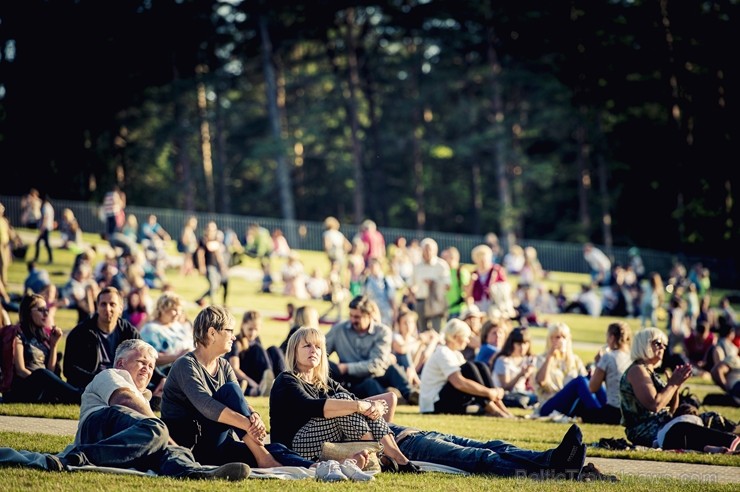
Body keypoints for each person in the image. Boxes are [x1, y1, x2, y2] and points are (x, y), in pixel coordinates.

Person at [68, 338, 250, 480]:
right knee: (158, 430)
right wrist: (165, 435)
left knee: (162, 446)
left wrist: (174, 449)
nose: (147, 369)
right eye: (141, 362)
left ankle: (193, 472)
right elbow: (124, 400)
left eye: (151, 366)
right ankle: (80, 455)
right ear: (121, 363)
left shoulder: (144, 396)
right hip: (96, 428)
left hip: (123, 438)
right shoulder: (110, 375)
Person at [161, 305, 315, 469]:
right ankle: (262, 456)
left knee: (276, 449)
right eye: (230, 331)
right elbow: (207, 406)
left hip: (219, 443)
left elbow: (238, 400)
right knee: (229, 390)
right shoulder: (185, 365)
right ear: (212, 333)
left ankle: (315, 467)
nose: (234, 337)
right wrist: (248, 424)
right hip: (192, 449)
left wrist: (253, 415)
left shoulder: (224, 365)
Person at [270, 326, 421, 473]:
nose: (313, 350)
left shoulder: (324, 382)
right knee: (347, 403)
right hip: (295, 446)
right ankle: (378, 456)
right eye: (307, 346)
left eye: (318, 347)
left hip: (325, 441)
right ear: (294, 351)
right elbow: (309, 406)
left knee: (357, 405)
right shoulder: (286, 379)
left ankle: (399, 457)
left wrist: (372, 406)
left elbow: (353, 399)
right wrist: (359, 405)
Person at [620, 328, 737, 450]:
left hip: (663, 426)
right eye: (658, 343)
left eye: (664, 345)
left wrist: (676, 386)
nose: (663, 348)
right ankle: (730, 442)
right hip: (645, 432)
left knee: (712, 418)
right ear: (644, 344)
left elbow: (672, 409)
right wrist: (672, 384)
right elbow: (654, 405)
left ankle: (733, 436)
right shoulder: (637, 370)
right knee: (681, 429)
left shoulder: (649, 372)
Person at [388, 422, 587, 479]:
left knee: (494, 445)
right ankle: (549, 473)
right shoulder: (356, 414)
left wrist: (367, 405)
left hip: (418, 432)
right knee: (481, 457)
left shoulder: (357, 402)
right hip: (407, 447)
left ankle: (554, 458)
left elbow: (389, 399)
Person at [63, 287, 164, 396]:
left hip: (124, 381)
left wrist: (161, 379)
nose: (107, 308)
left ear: (120, 308)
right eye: (103, 304)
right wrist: (101, 380)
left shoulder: (129, 332)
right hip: (92, 384)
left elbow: (145, 358)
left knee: (160, 392)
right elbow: (69, 370)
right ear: (97, 307)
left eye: (112, 304)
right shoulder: (81, 333)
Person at [325, 295, 417, 404]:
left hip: (377, 373)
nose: (353, 320)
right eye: (351, 315)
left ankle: (411, 394)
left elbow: (376, 364)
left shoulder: (382, 332)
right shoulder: (339, 330)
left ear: (369, 316)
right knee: (370, 385)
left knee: (393, 369)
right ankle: (391, 398)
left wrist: (346, 367)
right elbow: (321, 352)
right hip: (351, 380)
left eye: (357, 317)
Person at [419, 318, 513, 417]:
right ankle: (493, 409)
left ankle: (500, 407)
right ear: (456, 337)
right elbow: (459, 383)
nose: (468, 341)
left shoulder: (456, 354)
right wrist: (489, 392)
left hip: (443, 399)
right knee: (468, 367)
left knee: (480, 366)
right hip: (434, 405)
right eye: (466, 337)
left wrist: (493, 392)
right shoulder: (443, 352)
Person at [4, 294, 82, 404]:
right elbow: (20, 371)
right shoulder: (18, 335)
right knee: (42, 373)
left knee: (45, 374)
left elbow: (50, 371)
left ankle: (76, 395)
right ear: (28, 312)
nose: (46, 314)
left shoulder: (43, 337)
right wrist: (42, 380)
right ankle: (78, 396)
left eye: (47, 310)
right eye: (41, 310)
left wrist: (53, 344)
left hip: (40, 387)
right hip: (22, 389)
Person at [533, 322, 588, 417]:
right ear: (550, 339)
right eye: (557, 337)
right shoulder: (542, 359)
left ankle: (602, 409)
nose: (561, 340)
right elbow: (541, 382)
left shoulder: (575, 360)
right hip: (549, 403)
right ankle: (598, 412)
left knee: (585, 380)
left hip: (570, 404)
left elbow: (587, 386)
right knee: (579, 381)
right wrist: (550, 357)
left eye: (564, 337)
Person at [583, 322, 633, 424]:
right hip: (630, 413)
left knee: (582, 412)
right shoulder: (632, 358)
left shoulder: (608, 357)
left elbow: (592, 388)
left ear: (612, 337)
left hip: (613, 412)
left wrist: (598, 365)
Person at [227, 310, 283, 397]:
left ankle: (283, 381)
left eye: (256, 329)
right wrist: (252, 383)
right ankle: (258, 388)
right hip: (241, 376)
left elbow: (262, 360)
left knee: (274, 349)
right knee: (257, 348)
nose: (253, 333)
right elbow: (235, 369)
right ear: (243, 325)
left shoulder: (256, 339)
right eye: (250, 329)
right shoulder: (236, 342)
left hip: (256, 375)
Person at [139, 292, 193, 373]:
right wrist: (178, 357)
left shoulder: (177, 325)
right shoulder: (150, 329)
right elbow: (149, 357)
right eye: (174, 310)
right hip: (165, 375)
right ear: (163, 309)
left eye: (180, 310)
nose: (178, 313)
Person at [490, 327, 538, 409]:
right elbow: (505, 387)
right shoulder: (503, 360)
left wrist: (531, 373)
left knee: (536, 397)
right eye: (519, 344)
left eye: (525, 344)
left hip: (521, 392)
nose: (522, 347)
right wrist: (520, 375)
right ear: (512, 344)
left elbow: (533, 385)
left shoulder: (528, 359)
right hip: (505, 395)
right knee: (524, 399)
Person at [410, 238, 450, 333]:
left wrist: (434, 283)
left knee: (437, 330)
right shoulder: (417, 266)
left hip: (436, 302)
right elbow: (411, 284)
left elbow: (447, 285)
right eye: (425, 250)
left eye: (429, 250)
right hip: (421, 301)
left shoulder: (441, 265)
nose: (427, 252)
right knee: (422, 331)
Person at [195, 221, 228, 306]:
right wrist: (201, 266)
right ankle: (212, 303)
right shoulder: (202, 240)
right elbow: (200, 254)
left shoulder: (215, 240)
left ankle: (200, 299)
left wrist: (222, 265)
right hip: (208, 265)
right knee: (213, 285)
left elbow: (218, 254)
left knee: (216, 286)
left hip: (215, 266)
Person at [441, 247, 470, 319]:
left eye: (450, 257)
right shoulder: (444, 273)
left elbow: (467, 292)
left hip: (459, 310)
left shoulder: (461, 272)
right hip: (446, 311)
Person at [33, 194, 54, 264]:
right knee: (41, 243)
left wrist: (42, 228)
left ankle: (49, 259)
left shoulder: (45, 207)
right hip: (48, 227)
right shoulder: (50, 207)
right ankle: (37, 258)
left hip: (45, 228)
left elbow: (45, 218)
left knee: (45, 244)